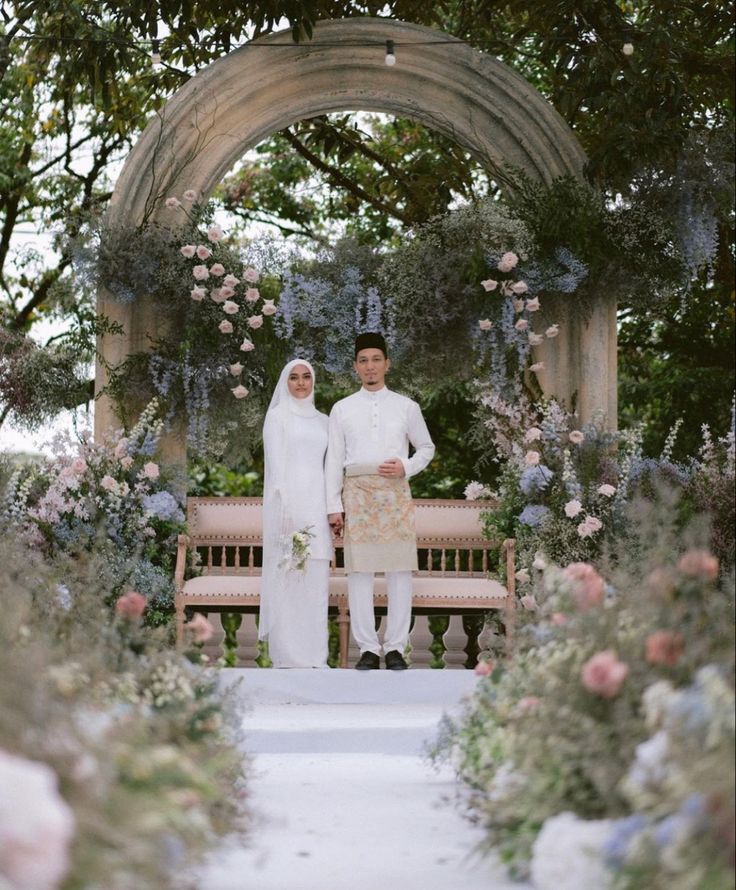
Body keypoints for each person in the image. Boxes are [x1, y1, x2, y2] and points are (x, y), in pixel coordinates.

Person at [326, 333, 435, 670]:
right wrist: (333, 505)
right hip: (356, 493)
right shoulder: (342, 408)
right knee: (359, 572)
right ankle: (369, 649)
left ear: (387, 363)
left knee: (399, 570)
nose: (370, 366)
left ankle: (396, 648)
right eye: (363, 360)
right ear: (356, 367)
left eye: (376, 359)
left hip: (394, 491)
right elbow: (334, 460)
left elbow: (426, 448)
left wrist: (407, 465)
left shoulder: (406, 406)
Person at [260, 358, 332, 668]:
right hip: (289, 507)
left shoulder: (324, 421)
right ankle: (288, 655)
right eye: (294, 377)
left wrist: (332, 508)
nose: (301, 382)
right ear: (285, 382)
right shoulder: (278, 417)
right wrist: (284, 509)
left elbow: (330, 470)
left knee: (315, 577)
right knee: (289, 578)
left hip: (317, 504)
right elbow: (276, 466)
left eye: (306, 377)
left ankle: (315, 655)